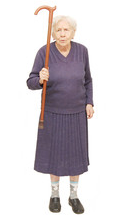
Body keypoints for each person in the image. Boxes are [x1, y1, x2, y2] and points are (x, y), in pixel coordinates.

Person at [26, 15, 94, 214]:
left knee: (75, 157)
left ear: (73, 32)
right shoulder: (44, 52)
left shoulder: (82, 51)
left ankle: (73, 196)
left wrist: (89, 102)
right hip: (53, 113)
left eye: (66, 30)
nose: (62, 34)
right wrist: (40, 79)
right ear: (53, 32)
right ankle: (54, 195)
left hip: (76, 113)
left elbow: (88, 80)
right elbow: (30, 82)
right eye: (59, 30)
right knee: (54, 156)